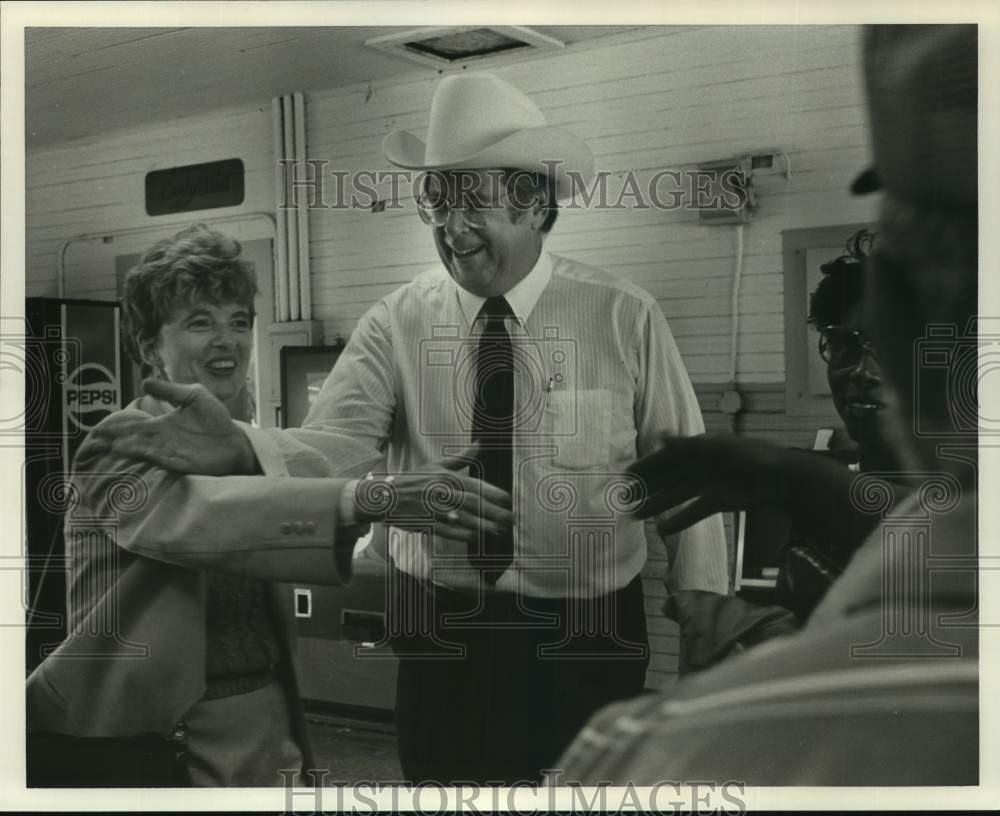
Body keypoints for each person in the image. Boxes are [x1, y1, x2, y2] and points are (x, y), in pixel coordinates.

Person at [83, 73, 729, 784]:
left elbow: (686, 467)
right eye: (436, 201)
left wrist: (703, 597)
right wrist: (242, 444)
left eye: (470, 201)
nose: (450, 228)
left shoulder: (622, 315)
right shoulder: (398, 320)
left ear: (535, 205)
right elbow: (333, 447)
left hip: (588, 631)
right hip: (438, 624)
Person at [555, 24, 978, 786]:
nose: (860, 371)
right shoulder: (822, 493)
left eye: (870, 340)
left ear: (900, 309)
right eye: (839, 348)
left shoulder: (661, 756)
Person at [25, 224, 372, 786]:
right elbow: (209, 519)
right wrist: (365, 496)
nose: (226, 341)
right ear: (146, 346)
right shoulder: (118, 445)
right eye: (199, 321)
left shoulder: (253, 445)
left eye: (239, 321)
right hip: (159, 743)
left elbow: (308, 477)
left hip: (267, 722)